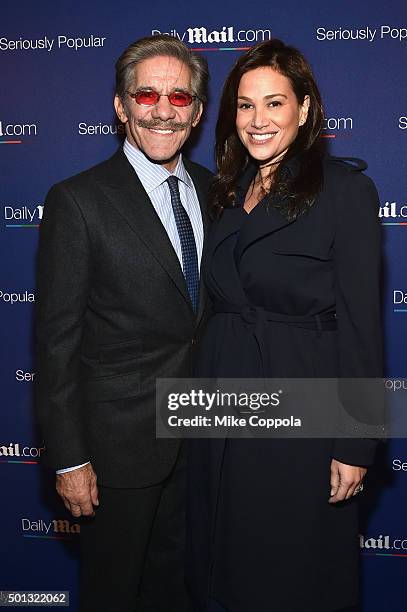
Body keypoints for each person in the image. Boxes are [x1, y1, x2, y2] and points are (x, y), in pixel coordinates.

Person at [187, 39, 383, 612]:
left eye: (274, 103)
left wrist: (356, 442)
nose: (258, 120)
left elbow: (362, 324)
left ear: (304, 109)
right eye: (245, 106)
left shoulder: (345, 191)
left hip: (301, 403)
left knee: (287, 569)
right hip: (218, 398)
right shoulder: (225, 191)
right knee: (218, 563)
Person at [35, 34, 211, 612]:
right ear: (121, 105)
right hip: (117, 454)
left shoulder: (216, 191)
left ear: (198, 111)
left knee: (181, 592)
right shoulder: (78, 201)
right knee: (114, 595)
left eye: (179, 97)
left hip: (203, 441)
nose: (163, 110)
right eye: (147, 94)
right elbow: (56, 343)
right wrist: (68, 457)